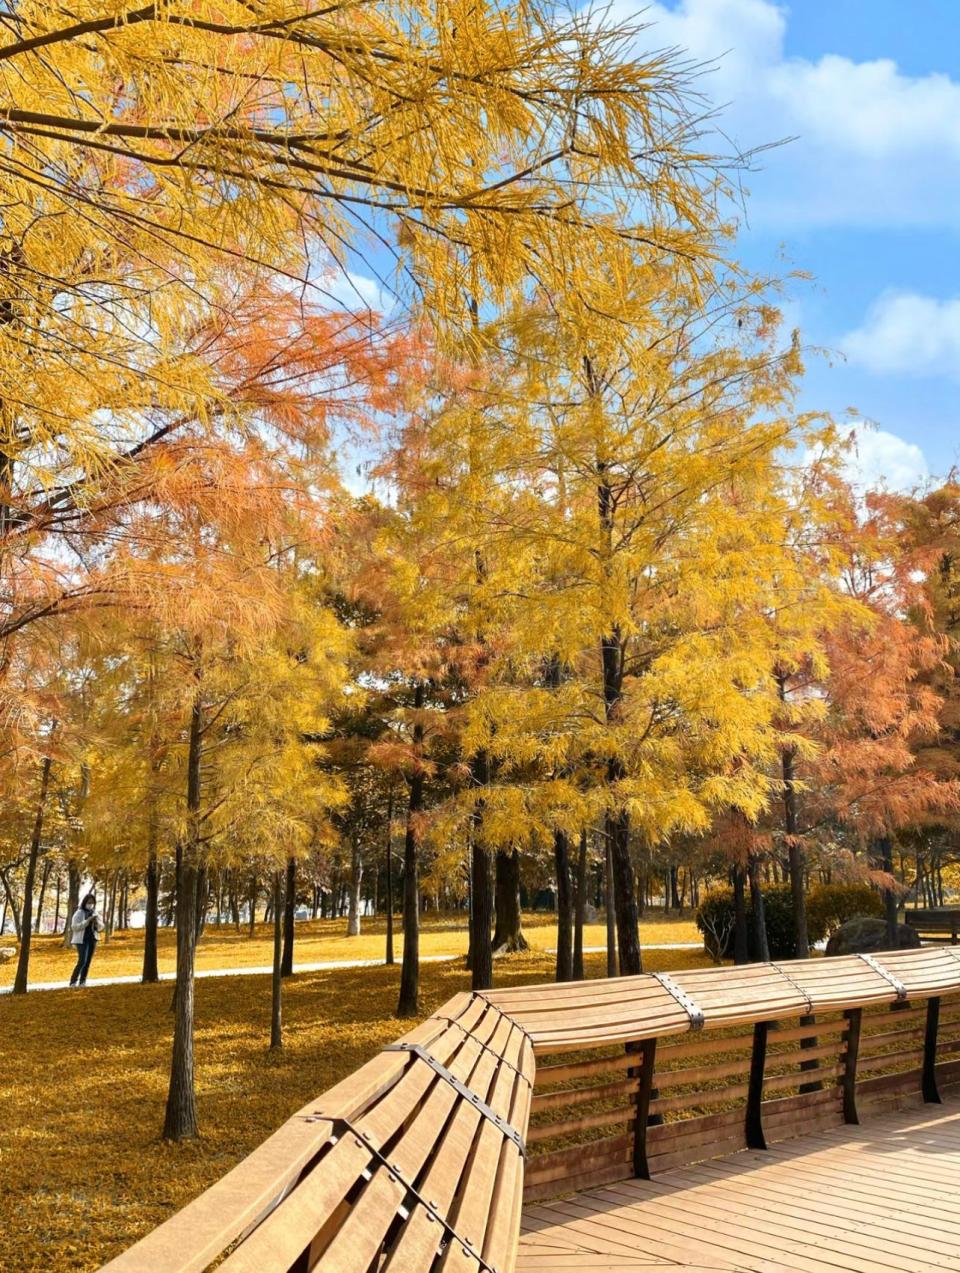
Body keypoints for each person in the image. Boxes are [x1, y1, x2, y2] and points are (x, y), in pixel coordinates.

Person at [69, 893, 102, 987]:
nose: (90, 904)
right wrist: (87, 921)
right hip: (81, 940)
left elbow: (101, 927)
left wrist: (96, 923)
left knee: (88, 962)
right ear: (85, 902)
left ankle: (82, 981)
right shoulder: (79, 913)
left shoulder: (95, 913)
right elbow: (74, 927)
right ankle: (73, 981)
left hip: (92, 939)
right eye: (89, 902)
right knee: (82, 961)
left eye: (92, 903)